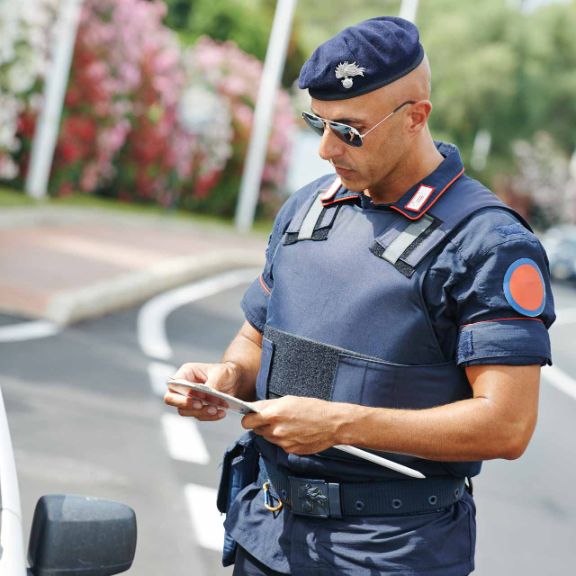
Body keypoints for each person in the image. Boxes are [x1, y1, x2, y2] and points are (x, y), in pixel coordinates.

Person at [164, 16, 555, 576]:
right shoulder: (306, 209)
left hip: (391, 553)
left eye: (348, 130)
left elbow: (507, 425)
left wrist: (339, 425)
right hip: (266, 532)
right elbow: (256, 337)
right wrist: (227, 379)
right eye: (317, 123)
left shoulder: (486, 242)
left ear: (415, 117)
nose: (325, 148)